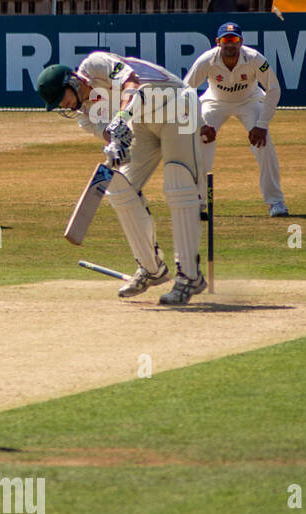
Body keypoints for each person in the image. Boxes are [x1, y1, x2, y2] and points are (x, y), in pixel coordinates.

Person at [37, 52, 205, 305]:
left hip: (177, 107)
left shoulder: (95, 64)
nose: (65, 106)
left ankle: (190, 276)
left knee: (178, 184)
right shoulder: (84, 114)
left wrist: (121, 120)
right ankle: (151, 268)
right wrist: (116, 145)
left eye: (63, 98)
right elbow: (108, 133)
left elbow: (132, 83)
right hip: (142, 123)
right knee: (119, 188)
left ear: (71, 81)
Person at [184, 22, 288, 218]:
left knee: (264, 146)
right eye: (226, 40)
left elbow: (274, 89)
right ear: (218, 42)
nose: (230, 45)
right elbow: (185, 89)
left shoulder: (255, 58)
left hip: (249, 101)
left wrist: (262, 125)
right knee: (201, 142)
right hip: (215, 101)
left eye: (234, 40)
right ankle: (197, 203)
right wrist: (200, 124)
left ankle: (276, 202)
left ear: (241, 42)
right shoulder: (206, 60)